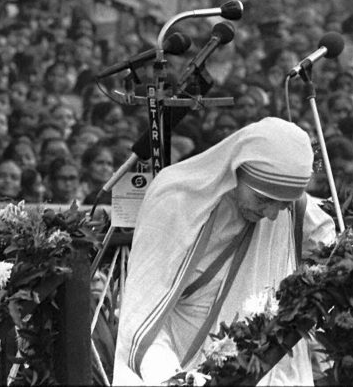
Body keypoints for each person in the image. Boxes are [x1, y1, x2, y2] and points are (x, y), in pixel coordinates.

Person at [113, 118, 336, 386]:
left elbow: (331, 246)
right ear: (236, 170)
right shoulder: (176, 200)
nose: (272, 215)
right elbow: (142, 314)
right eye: (263, 200)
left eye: (284, 204)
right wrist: (171, 377)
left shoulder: (291, 205)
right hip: (177, 359)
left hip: (262, 369)